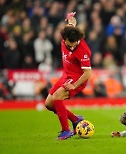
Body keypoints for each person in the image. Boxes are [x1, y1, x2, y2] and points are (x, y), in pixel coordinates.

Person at [45, 12, 92, 140]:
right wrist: (70, 17)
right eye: (69, 45)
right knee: (49, 104)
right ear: (64, 39)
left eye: (75, 44)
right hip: (66, 75)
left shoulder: (83, 50)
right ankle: (75, 119)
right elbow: (72, 21)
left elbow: (88, 73)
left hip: (77, 79)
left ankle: (66, 131)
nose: (72, 47)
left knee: (57, 96)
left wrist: (74, 85)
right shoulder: (68, 32)